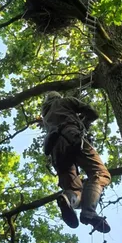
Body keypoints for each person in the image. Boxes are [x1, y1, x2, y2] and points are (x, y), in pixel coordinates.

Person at [41, 92, 111, 234]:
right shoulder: (66, 101)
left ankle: (68, 198)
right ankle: (89, 212)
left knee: (75, 190)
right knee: (100, 173)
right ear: (58, 97)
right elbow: (93, 113)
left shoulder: (46, 117)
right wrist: (83, 122)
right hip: (73, 138)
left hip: (57, 152)